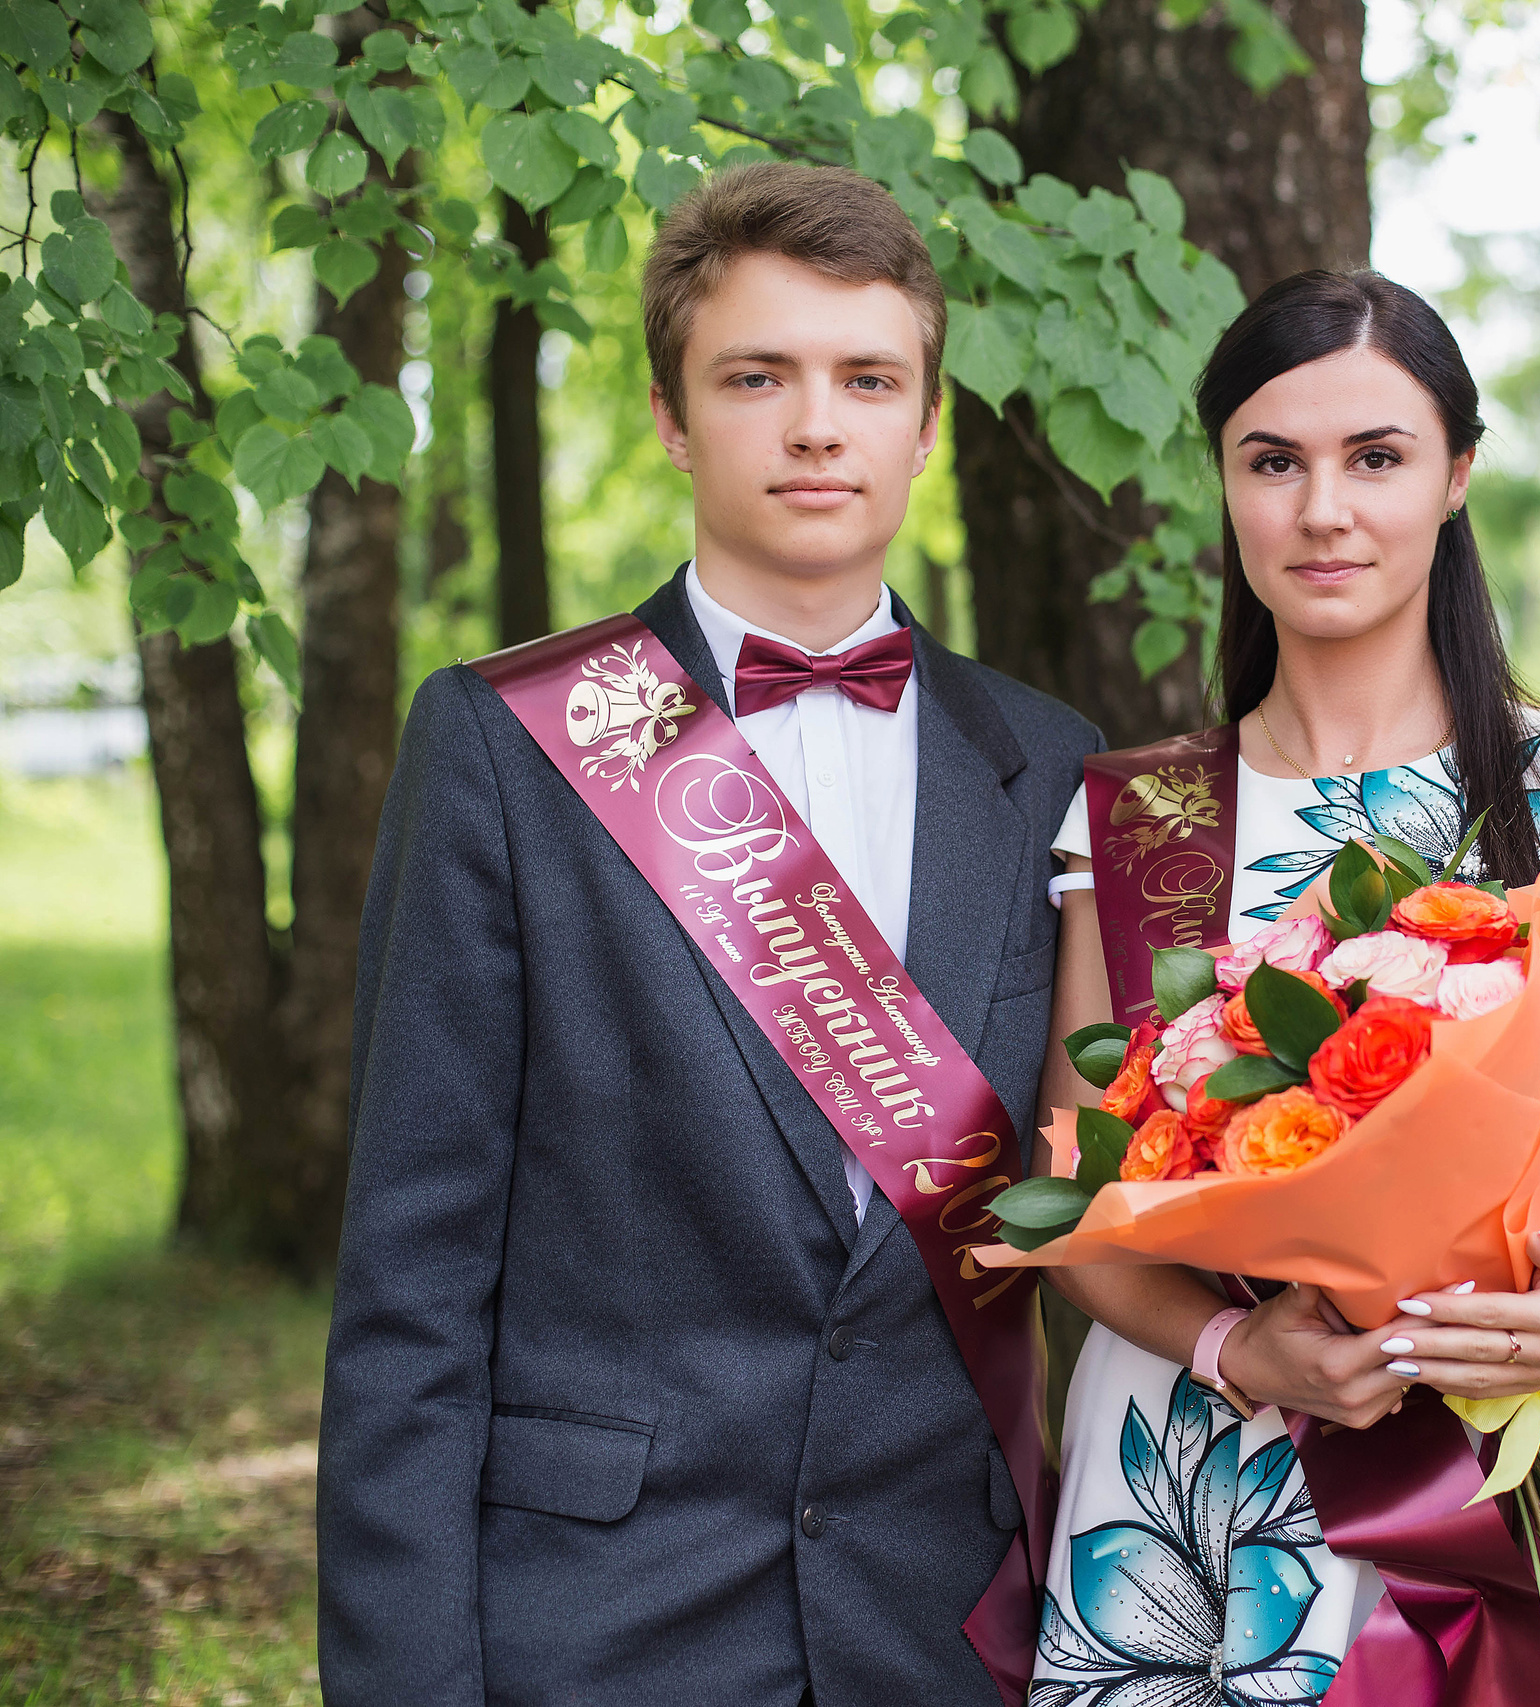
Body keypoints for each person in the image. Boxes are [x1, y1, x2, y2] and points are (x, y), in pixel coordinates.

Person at [317, 162, 1099, 1706]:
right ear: (673, 418)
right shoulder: (506, 747)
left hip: (947, 1631)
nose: (817, 425)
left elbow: (1105, 1202)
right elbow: (411, 1292)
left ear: (925, 423)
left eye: (867, 378)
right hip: (602, 1629)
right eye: (757, 377)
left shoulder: (1053, 767)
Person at [1031, 269, 1540, 1706]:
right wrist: (1238, 1346)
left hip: (1483, 1445)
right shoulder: (1141, 817)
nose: (1323, 510)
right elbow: (1079, 1208)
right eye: (1272, 462)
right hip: (1188, 1468)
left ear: (1457, 474)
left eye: (1376, 458)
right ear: (1226, 484)